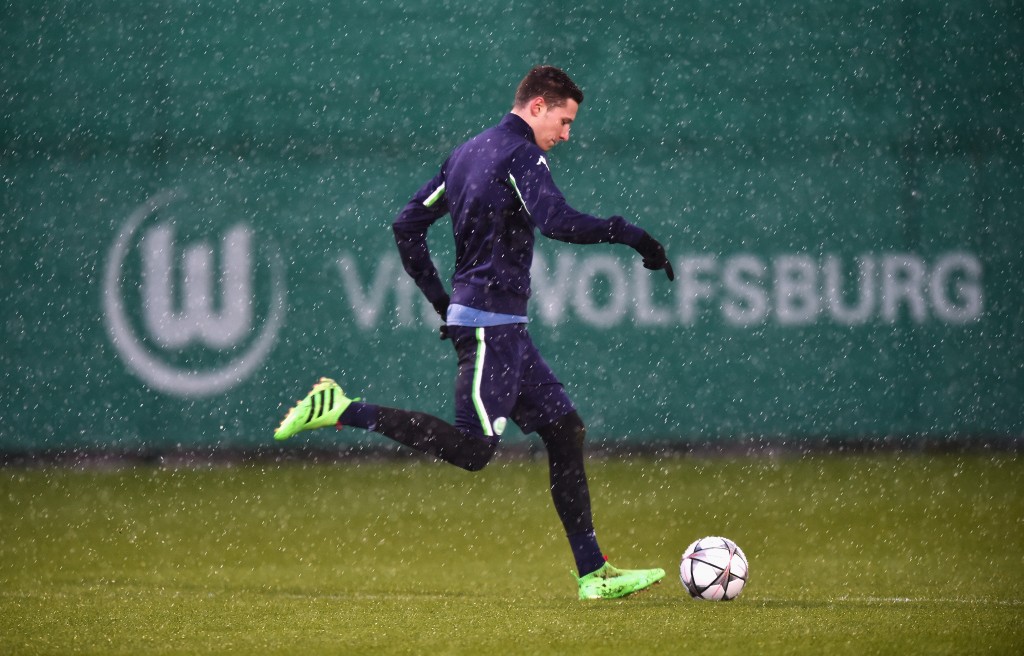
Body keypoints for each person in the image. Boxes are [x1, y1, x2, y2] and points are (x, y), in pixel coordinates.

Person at [274, 65, 675, 600]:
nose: (566, 134)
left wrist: (444, 302)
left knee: (565, 430)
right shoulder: (519, 152)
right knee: (474, 450)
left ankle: (593, 573)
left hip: (496, 323)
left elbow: (406, 223)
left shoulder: (466, 153)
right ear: (537, 107)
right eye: (564, 120)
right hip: (490, 325)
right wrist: (631, 235)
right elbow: (555, 221)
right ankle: (343, 408)